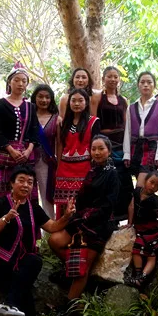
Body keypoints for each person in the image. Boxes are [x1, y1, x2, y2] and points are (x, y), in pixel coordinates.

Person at [0, 165, 75, 316]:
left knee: (35, 262)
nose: (26, 185)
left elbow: (52, 226)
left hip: (19, 260)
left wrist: (66, 216)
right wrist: (6, 218)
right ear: (12, 183)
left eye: (30, 182)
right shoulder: (1, 203)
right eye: (21, 180)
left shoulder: (33, 208)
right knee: (23, 290)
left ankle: (9, 304)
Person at [49, 135, 119, 308]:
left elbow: (108, 206)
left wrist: (85, 219)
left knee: (82, 269)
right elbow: (82, 198)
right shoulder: (93, 171)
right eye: (93, 149)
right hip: (82, 219)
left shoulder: (112, 174)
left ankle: (69, 307)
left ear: (109, 151)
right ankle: (72, 270)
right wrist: (75, 211)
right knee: (54, 241)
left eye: (101, 148)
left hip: (99, 223)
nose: (97, 152)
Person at [0, 63, 39, 197]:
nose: (20, 84)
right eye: (16, 80)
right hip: (6, 155)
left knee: (26, 189)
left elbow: (35, 130)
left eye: (24, 81)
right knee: (6, 191)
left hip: (25, 156)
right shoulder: (0, 104)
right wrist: (11, 150)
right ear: (9, 82)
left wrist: (28, 151)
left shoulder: (30, 107)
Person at [54, 89, 101, 220]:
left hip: (85, 169)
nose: (76, 104)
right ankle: (63, 231)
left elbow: (96, 146)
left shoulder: (93, 122)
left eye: (80, 100)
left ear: (86, 103)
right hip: (64, 170)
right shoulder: (63, 122)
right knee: (64, 206)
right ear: (69, 103)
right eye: (73, 100)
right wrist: (58, 167)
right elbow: (60, 145)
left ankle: (81, 231)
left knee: (83, 204)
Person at [95, 66, 133, 220]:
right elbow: (93, 121)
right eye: (109, 76)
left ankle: (124, 217)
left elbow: (127, 125)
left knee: (124, 181)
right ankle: (108, 218)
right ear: (103, 79)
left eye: (115, 77)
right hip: (104, 146)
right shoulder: (97, 98)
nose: (112, 79)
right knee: (108, 179)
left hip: (121, 146)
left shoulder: (123, 100)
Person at [125, 171, 158, 287]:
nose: (153, 186)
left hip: (152, 230)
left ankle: (142, 277)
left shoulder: (155, 199)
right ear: (145, 180)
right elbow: (131, 207)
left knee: (151, 254)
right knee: (137, 249)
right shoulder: (136, 192)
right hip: (140, 228)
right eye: (151, 182)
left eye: (157, 186)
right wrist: (130, 223)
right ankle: (138, 275)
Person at [124, 71, 158, 189]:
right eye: (142, 82)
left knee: (141, 185)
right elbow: (127, 132)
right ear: (138, 85)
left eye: (149, 82)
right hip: (135, 147)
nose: (146, 85)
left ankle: (138, 199)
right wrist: (126, 153)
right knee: (136, 182)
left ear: (154, 85)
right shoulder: (131, 107)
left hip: (151, 147)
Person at [31, 84, 59, 221]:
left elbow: (60, 143)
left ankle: (49, 229)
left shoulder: (56, 119)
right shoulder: (28, 116)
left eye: (47, 97)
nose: (44, 100)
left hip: (47, 163)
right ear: (34, 98)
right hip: (28, 161)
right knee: (28, 195)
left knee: (47, 197)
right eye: (40, 97)